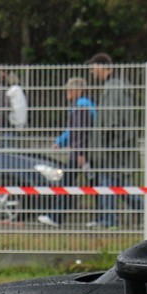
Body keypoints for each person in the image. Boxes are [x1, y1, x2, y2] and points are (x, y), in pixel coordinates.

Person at [86, 52, 141, 228]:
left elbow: (112, 121)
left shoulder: (113, 88)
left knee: (108, 184)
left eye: (93, 68)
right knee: (119, 185)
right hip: (118, 146)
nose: (92, 72)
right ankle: (141, 210)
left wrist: (106, 144)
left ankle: (108, 221)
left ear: (102, 67)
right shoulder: (117, 86)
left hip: (112, 148)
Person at [52, 76, 96, 216]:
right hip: (82, 151)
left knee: (67, 181)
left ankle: (57, 216)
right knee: (93, 183)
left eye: (70, 89)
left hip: (80, 153)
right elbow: (72, 130)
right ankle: (101, 216)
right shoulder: (81, 105)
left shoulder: (82, 107)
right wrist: (60, 141)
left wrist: (81, 153)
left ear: (77, 90)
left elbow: (81, 131)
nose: (67, 92)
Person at [0, 69, 28, 147]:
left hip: (4, 125)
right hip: (4, 124)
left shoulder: (0, 91)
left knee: (6, 147)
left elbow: (4, 108)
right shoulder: (0, 90)